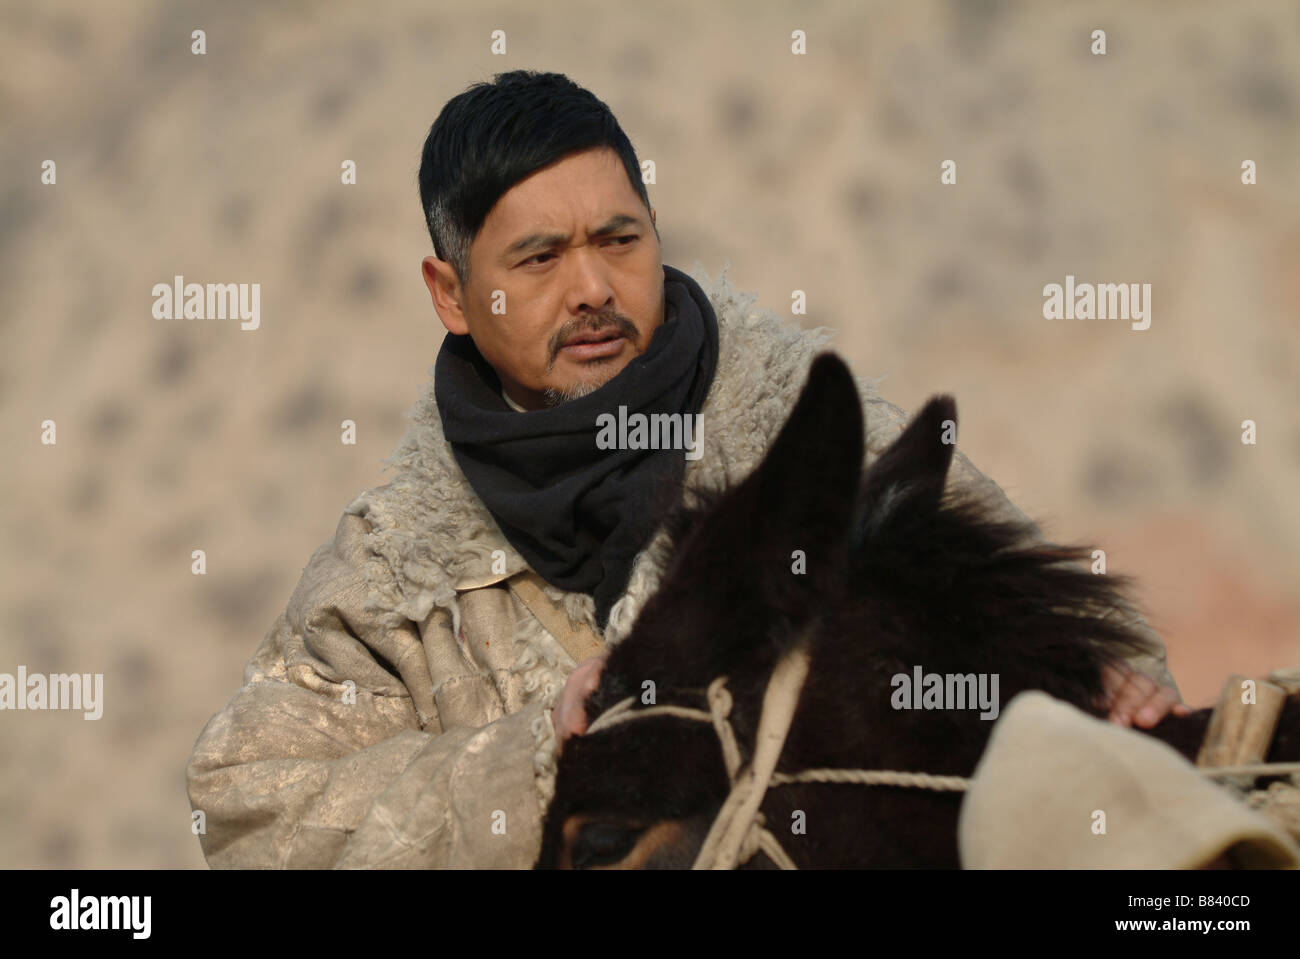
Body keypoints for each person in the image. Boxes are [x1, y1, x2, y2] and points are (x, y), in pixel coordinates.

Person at [185, 70, 1185, 869]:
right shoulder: (390, 577)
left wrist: (1105, 689)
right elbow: (249, 818)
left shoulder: (831, 450)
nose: (591, 287)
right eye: (537, 259)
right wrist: (542, 762)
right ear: (452, 293)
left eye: (619, 239)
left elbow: (1063, 652)